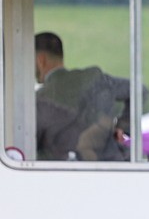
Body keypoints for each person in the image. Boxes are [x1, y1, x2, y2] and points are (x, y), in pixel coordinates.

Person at [34, 31, 132, 161]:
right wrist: (121, 126)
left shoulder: (41, 98)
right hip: (109, 162)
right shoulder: (94, 77)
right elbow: (136, 90)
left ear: (41, 60)